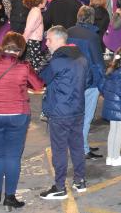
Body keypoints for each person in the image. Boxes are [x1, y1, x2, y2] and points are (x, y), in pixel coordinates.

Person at [0, 32, 43, 210]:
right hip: (17, 114)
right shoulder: (24, 66)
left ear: (3, 46)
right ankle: (10, 197)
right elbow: (38, 86)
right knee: (13, 156)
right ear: (21, 49)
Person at [39, 26, 90, 200]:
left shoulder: (57, 61)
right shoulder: (81, 57)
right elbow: (88, 80)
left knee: (59, 149)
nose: (46, 43)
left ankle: (59, 186)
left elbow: (42, 78)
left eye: (49, 40)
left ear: (59, 40)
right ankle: (80, 180)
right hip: (77, 109)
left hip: (60, 111)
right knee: (77, 145)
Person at [67, 6, 106, 160]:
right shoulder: (92, 36)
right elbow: (98, 62)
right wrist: (104, 81)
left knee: (76, 115)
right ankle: (82, 148)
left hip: (71, 80)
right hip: (89, 81)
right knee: (86, 116)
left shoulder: (68, 32)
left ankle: (81, 144)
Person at [102, 47, 121, 166]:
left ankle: (110, 156)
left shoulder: (111, 70)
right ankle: (115, 157)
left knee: (113, 131)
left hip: (111, 104)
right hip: (120, 106)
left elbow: (103, 86)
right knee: (119, 131)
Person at [22, 0, 47, 71]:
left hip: (34, 38)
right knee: (35, 59)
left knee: (33, 58)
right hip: (33, 39)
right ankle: (35, 74)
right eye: (44, 2)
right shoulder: (36, 12)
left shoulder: (36, 10)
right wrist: (24, 38)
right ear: (40, 3)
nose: (45, 3)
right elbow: (29, 27)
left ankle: (32, 73)